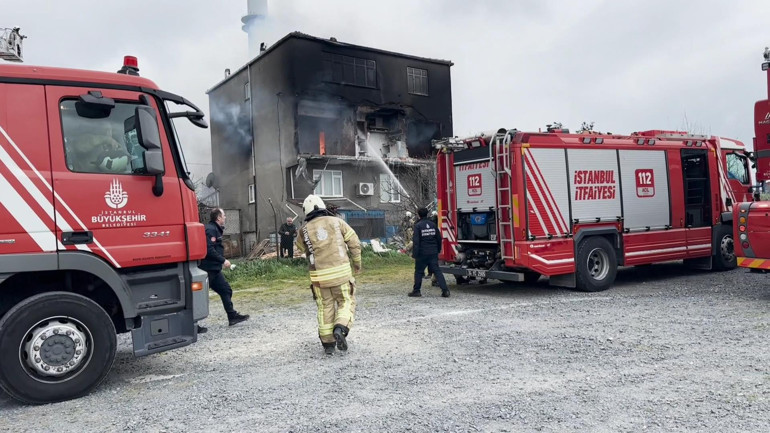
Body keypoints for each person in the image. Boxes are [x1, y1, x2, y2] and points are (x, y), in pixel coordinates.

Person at [296, 195, 362, 356]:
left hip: (319, 278)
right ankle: (340, 328)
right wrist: (357, 263)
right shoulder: (337, 222)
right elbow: (354, 242)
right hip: (341, 274)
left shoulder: (303, 230)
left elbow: (300, 248)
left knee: (324, 306)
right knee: (346, 301)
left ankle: (328, 344)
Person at [197, 208, 249, 332]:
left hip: (214, 270)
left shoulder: (216, 229)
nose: (225, 217)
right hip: (206, 269)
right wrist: (223, 260)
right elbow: (208, 250)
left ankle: (232, 317)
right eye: (224, 215)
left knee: (226, 290)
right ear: (218, 218)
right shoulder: (210, 230)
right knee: (199, 297)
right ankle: (193, 325)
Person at [408, 207, 450, 298]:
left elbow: (416, 242)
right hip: (433, 252)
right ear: (427, 214)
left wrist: (415, 254)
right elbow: (439, 239)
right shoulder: (433, 224)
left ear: (418, 215)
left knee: (419, 272)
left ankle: (416, 291)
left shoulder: (418, 226)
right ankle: (445, 290)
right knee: (437, 271)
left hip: (422, 253)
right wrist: (438, 250)